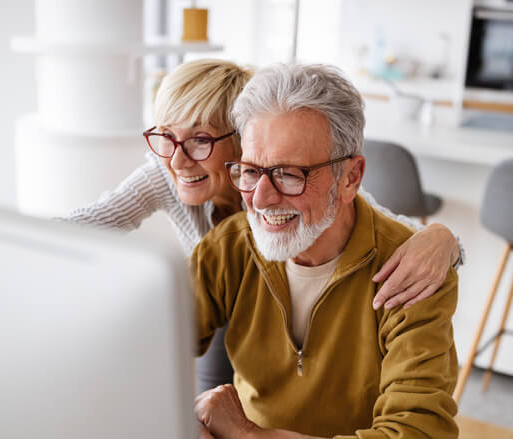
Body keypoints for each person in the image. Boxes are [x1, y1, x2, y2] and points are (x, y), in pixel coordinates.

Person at [66, 59, 463, 394]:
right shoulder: (172, 177)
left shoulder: (321, 196)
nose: (179, 160)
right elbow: (94, 223)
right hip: (224, 299)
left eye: (200, 139)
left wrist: (444, 240)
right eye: (167, 137)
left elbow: (386, 226)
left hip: (258, 304)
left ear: (241, 141)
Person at [191, 63, 458, 438]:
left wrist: (250, 436)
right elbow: (141, 346)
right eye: (251, 171)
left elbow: (417, 432)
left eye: (288, 174)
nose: (261, 199)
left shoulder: (413, 274)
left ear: (350, 178)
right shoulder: (229, 247)